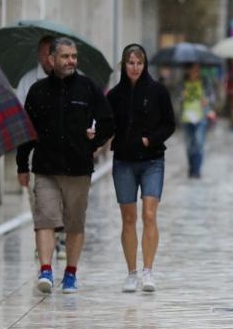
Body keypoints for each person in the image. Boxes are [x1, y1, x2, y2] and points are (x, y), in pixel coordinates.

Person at [16, 38, 115, 294]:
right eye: (65, 56)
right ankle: (46, 271)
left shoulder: (88, 88)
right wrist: (21, 166)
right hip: (46, 167)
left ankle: (70, 274)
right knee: (45, 220)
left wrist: (98, 139)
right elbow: (27, 132)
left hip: (78, 168)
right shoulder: (37, 91)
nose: (71, 61)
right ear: (52, 59)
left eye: (73, 56)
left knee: (74, 224)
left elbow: (108, 120)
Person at [107, 44, 176, 293]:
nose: (135, 67)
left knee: (149, 214)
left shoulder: (158, 91)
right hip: (123, 162)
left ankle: (148, 270)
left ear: (145, 65)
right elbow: (106, 124)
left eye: (139, 62)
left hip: (152, 161)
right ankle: (131, 272)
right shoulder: (114, 95)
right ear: (123, 65)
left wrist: (150, 140)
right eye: (130, 62)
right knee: (128, 217)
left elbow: (170, 124)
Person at [16, 34, 68, 260]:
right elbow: (20, 116)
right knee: (39, 199)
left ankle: (61, 237)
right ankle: (44, 239)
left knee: (64, 197)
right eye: (45, 53)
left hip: (65, 152)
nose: (48, 58)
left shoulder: (70, 79)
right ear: (40, 55)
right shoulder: (29, 82)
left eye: (52, 53)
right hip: (37, 151)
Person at [180, 63, 216, 178]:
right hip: (186, 117)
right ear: (188, 70)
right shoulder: (182, 83)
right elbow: (175, 99)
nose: (196, 72)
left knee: (199, 143)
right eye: (193, 69)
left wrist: (207, 101)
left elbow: (212, 97)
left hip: (201, 117)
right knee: (189, 145)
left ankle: (197, 171)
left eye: (197, 69)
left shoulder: (205, 82)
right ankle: (191, 168)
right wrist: (181, 96)